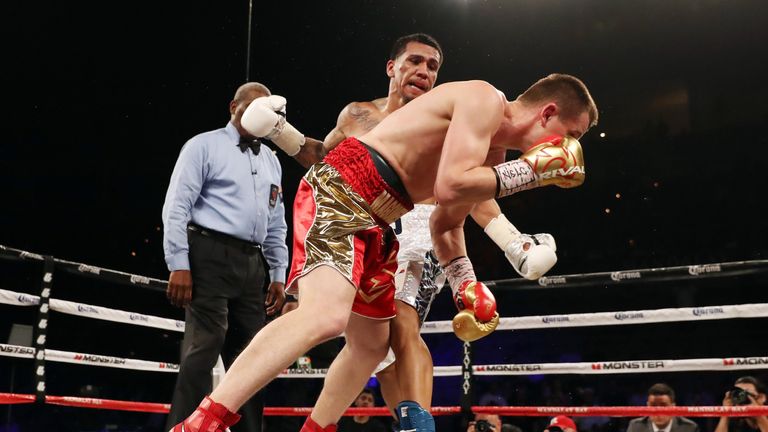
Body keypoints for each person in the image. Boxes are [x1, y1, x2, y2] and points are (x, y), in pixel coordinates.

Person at [169, 72, 598, 432]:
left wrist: (466, 282)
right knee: (325, 315)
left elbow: (445, 224)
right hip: (343, 187)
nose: (568, 149)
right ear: (548, 113)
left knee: (372, 345)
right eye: (572, 134)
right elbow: (451, 184)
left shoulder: (494, 150)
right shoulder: (484, 99)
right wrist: (530, 173)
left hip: (379, 216)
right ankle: (201, 422)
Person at [266, 33, 559, 431]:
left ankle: (418, 425)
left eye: (433, 66)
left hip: (423, 229)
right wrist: (278, 131)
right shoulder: (357, 115)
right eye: (415, 61)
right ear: (392, 67)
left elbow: (474, 189)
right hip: (364, 223)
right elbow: (325, 163)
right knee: (375, 348)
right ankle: (384, 423)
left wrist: (514, 244)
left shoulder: (451, 119)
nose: (424, 71)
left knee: (401, 320)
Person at [161, 82, 289, 432]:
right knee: (204, 347)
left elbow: (276, 220)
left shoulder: (271, 160)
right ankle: (185, 428)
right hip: (207, 253)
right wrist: (180, 264)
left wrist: (279, 274)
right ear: (234, 106)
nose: (263, 116)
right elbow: (177, 207)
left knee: (253, 355)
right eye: (254, 107)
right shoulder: (203, 145)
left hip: (252, 263)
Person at [627, 383, 699, 432]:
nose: (658, 411)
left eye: (663, 405)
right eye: (653, 405)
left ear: (673, 407)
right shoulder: (636, 427)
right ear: (647, 406)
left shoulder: (689, 428)